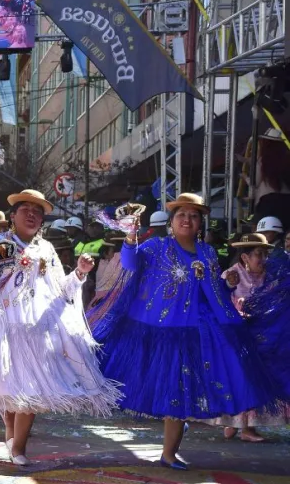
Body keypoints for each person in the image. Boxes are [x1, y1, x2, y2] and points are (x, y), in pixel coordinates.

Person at [91, 193, 287, 470]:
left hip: (196, 333)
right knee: (169, 391)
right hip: (159, 332)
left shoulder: (207, 253)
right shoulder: (156, 246)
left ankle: (169, 454)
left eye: (194, 216)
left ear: (200, 225)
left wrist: (228, 285)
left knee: (181, 394)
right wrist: (131, 236)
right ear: (171, 222)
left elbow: (211, 292)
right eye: (181, 214)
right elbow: (130, 263)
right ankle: (169, 453)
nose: (187, 219)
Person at [0, 189, 117, 465]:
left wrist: (79, 273)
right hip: (3, 329)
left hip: (37, 331)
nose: (31, 215)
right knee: (8, 389)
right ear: (13, 215)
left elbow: (60, 290)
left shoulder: (46, 249)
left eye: (37, 211)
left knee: (30, 391)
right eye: (25, 210)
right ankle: (10, 434)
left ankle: (19, 448)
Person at [208, 233, 288, 441]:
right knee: (238, 378)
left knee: (256, 379)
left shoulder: (270, 277)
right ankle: (233, 424)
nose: (263, 259)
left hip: (261, 336)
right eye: (258, 254)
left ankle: (247, 428)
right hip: (235, 335)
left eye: (264, 254)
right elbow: (218, 302)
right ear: (245, 257)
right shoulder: (231, 275)